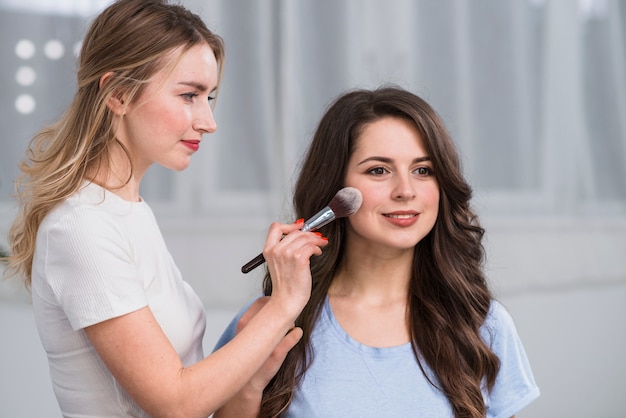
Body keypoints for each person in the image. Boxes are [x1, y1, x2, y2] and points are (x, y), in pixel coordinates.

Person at [2, 1, 328, 417]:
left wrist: (250, 359)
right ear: (118, 93)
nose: (208, 121)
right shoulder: (81, 228)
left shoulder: (128, 211)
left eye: (208, 97)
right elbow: (175, 404)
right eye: (189, 95)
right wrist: (284, 304)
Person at [213, 86, 540, 418]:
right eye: (378, 170)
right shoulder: (268, 321)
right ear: (334, 186)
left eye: (423, 170)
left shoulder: (482, 325)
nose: (406, 191)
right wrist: (251, 381)